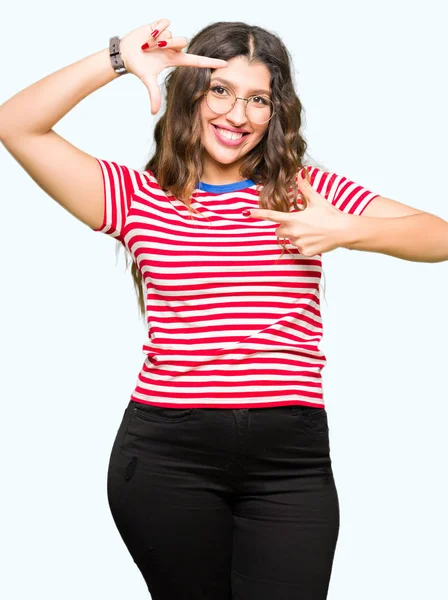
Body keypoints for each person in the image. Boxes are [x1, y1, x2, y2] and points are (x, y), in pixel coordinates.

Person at [2, 17, 439, 600]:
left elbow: (437, 234)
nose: (238, 115)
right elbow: (16, 125)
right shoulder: (138, 198)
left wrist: (349, 230)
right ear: (190, 93)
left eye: (258, 99)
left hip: (290, 462)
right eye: (221, 90)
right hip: (167, 459)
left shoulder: (304, 193)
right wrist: (115, 58)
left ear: (275, 111)